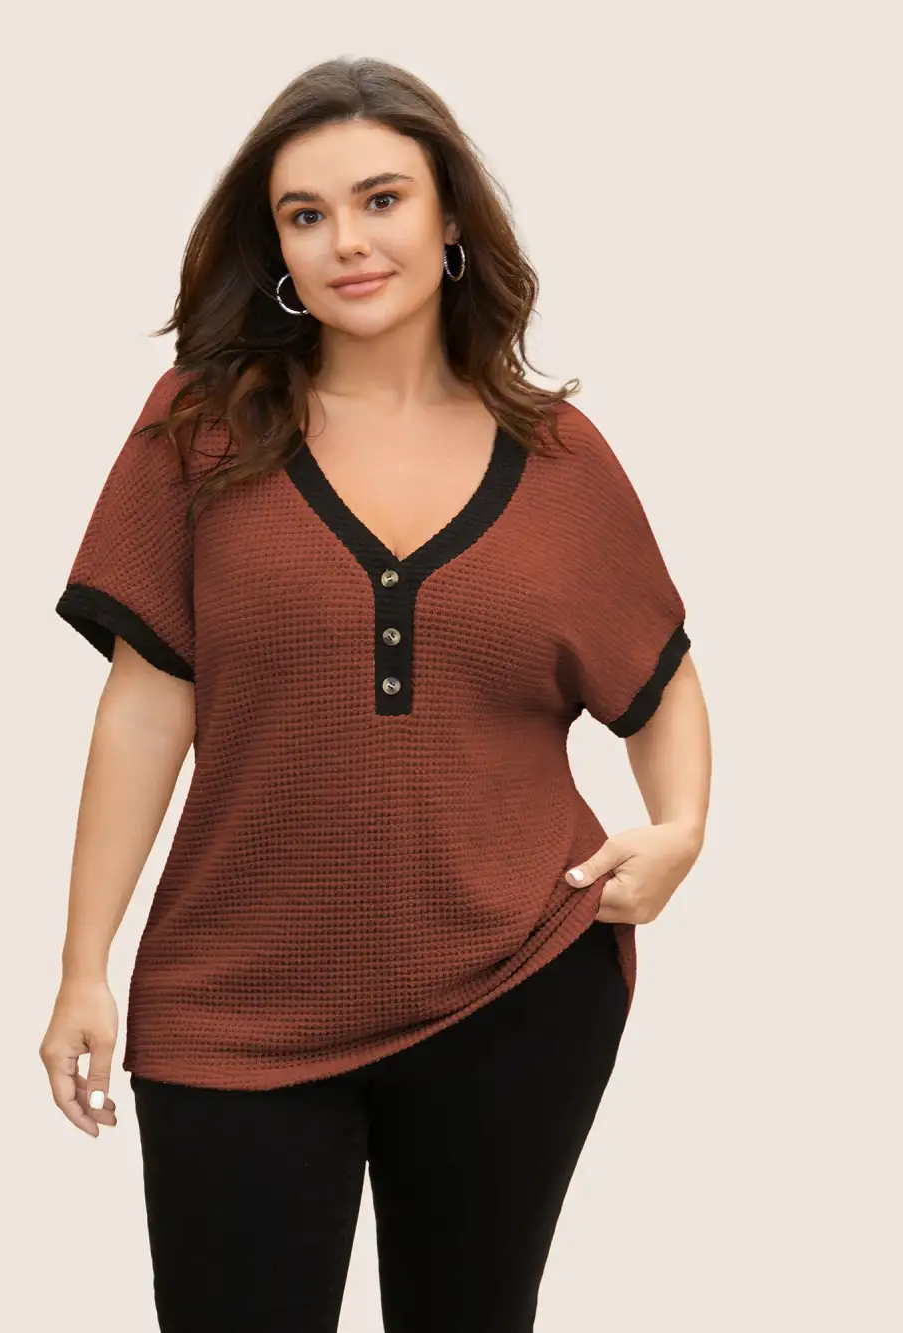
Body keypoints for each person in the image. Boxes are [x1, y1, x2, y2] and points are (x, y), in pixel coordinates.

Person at [39, 54, 711, 1333]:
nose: (346, 240)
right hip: (232, 1000)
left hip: (517, 984)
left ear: (449, 218)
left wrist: (678, 832)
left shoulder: (560, 459)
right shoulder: (198, 430)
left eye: (381, 199)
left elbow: (661, 686)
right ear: (276, 248)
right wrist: (84, 964)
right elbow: (145, 708)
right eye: (306, 214)